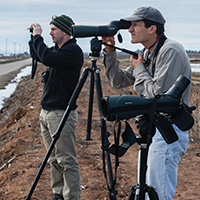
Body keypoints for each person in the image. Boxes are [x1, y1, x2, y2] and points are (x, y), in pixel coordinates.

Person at [102, 6, 191, 200]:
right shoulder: (149, 52)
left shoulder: (170, 50)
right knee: (149, 191)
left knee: (159, 194)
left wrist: (140, 68)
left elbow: (156, 96)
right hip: (154, 130)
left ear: (152, 29)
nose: (130, 30)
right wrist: (109, 52)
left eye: (135, 25)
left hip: (168, 131)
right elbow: (118, 81)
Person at [28, 15, 83, 200]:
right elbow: (38, 54)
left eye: (53, 29)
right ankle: (58, 193)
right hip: (47, 113)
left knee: (66, 160)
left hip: (61, 113)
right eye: (49, 30)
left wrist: (38, 37)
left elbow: (48, 58)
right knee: (53, 159)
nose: (50, 33)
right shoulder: (58, 50)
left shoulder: (73, 51)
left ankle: (71, 197)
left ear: (65, 31)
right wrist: (32, 38)